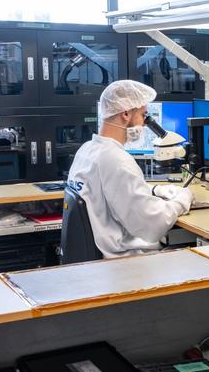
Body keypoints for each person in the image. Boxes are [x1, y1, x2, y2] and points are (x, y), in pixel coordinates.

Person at [67, 80, 193, 258]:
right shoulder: (117, 161)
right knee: (194, 254)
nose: (144, 123)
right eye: (143, 115)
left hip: (96, 261)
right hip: (121, 263)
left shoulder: (87, 150)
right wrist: (183, 199)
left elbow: (110, 190)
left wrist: (155, 189)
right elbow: (154, 224)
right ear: (126, 114)